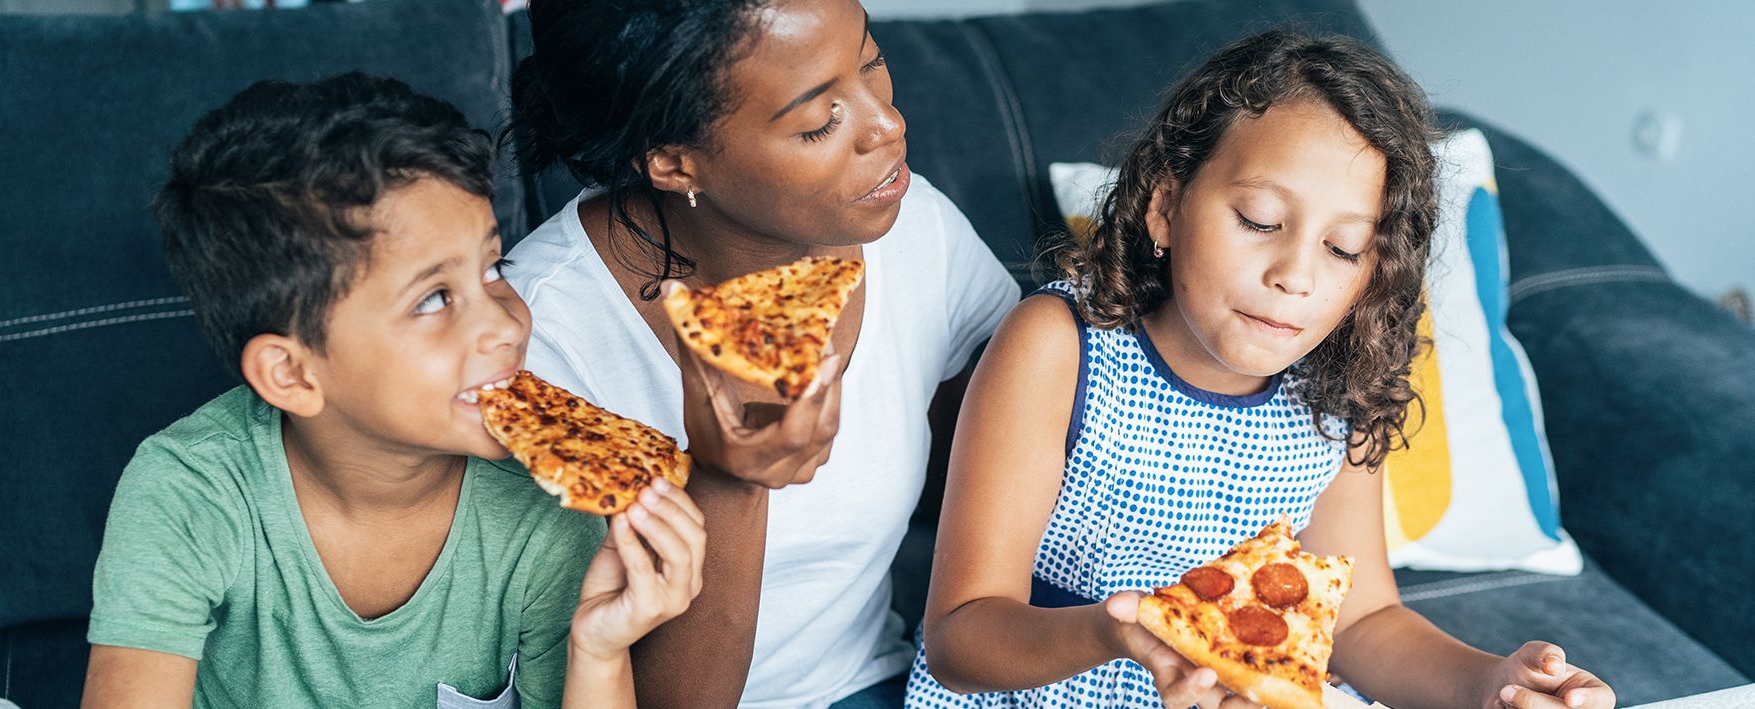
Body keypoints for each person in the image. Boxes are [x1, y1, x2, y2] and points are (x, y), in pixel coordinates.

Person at [905, 31, 1616, 709]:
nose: (1294, 275)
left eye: (1342, 248)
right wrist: (1118, 633)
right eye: (1257, 219)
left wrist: (1489, 684)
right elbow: (960, 635)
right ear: (1164, 205)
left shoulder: (1335, 394)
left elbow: (1361, 620)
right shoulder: (1060, 346)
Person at [81, 72, 704, 709]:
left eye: (493, 268)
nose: (504, 322)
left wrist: (597, 650)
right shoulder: (192, 493)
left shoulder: (546, 513)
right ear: (292, 374)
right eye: (434, 298)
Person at [504, 1, 1021, 706]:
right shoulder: (533, 341)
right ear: (672, 161)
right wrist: (727, 480)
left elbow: (1012, 480)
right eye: (819, 122)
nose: (887, 125)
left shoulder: (914, 227)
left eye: (872, 63)